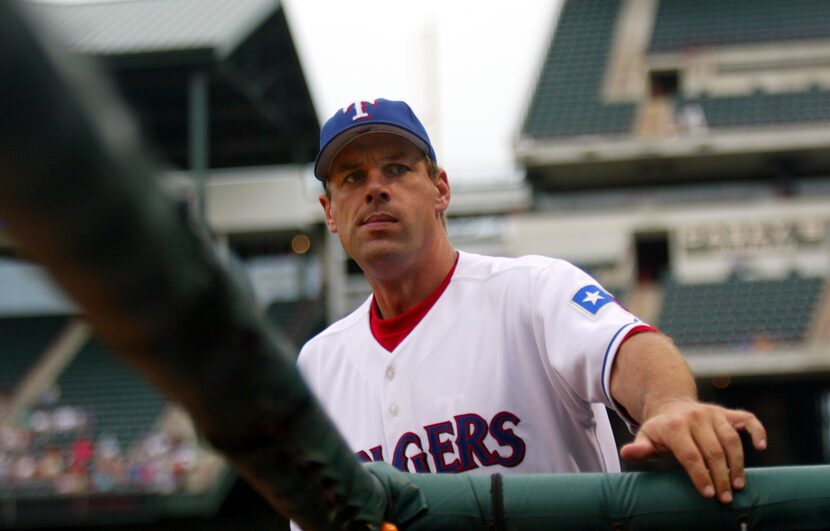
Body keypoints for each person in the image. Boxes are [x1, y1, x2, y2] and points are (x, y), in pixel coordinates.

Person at [297, 98, 766, 505]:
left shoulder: (533, 290)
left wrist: (668, 404)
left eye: (397, 169)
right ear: (330, 213)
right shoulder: (318, 364)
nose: (375, 188)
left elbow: (628, 348)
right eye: (352, 177)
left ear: (440, 189)